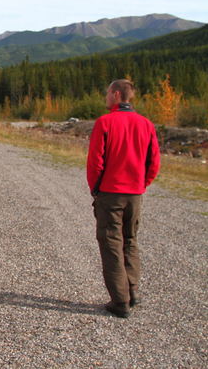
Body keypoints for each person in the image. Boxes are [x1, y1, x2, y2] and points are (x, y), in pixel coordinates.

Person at [86, 79, 160, 318]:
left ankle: (120, 301)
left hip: (111, 193)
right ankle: (133, 291)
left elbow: (95, 162)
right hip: (135, 194)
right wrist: (142, 184)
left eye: (108, 93)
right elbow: (154, 162)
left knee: (111, 244)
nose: (106, 97)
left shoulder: (105, 122)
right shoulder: (146, 124)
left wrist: (96, 189)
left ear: (116, 95)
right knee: (130, 240)